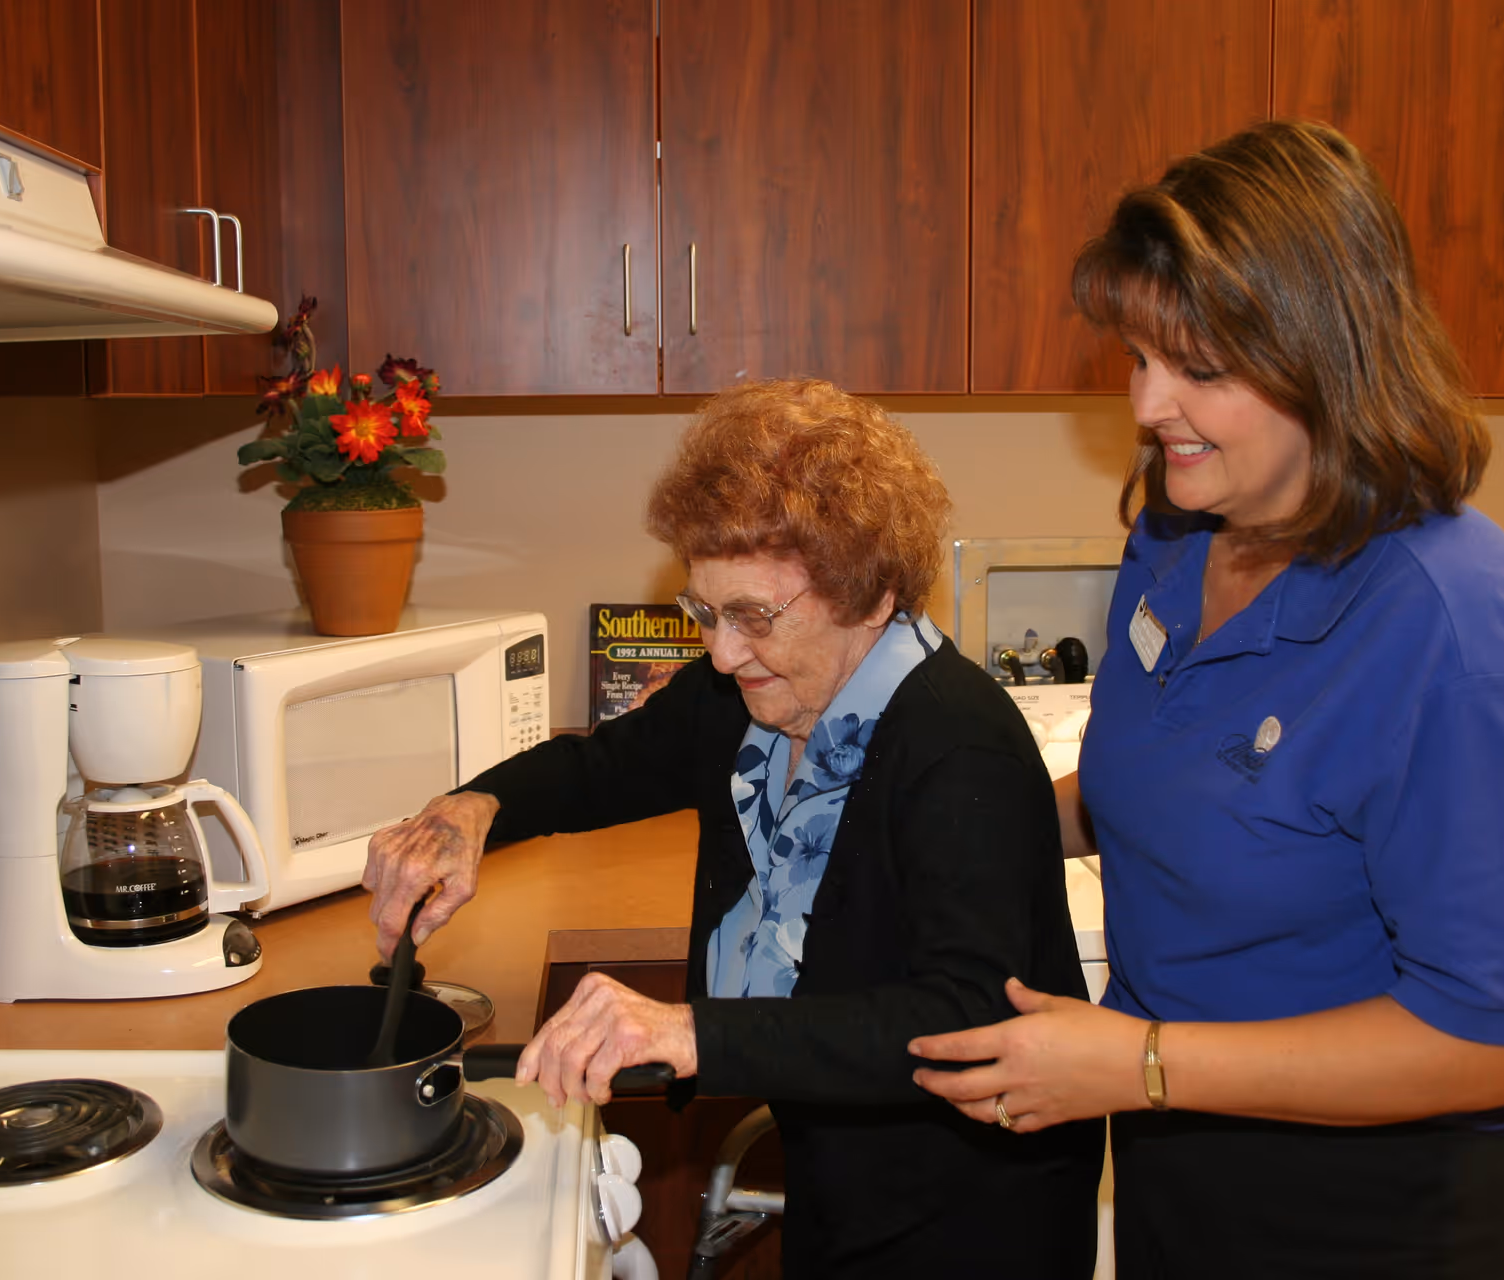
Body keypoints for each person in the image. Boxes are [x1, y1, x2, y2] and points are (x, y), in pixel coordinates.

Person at [909, 120, 1504, 1280]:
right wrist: (945, 818)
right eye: (1138, 355)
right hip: (1187, 1156)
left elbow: (1496, 1043)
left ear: (1332, 356)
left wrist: (1144, 1063)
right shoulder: (1182, 530)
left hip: (1375, 1212)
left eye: (1203, 369)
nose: (1148, 403)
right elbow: (1172, 776)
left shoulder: (1457, 632)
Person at [364, 378, 1105, 1278]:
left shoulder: (957, 744)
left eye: (755, 615)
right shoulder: (746, 696)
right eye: (706, 612)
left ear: (870, 595)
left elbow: (963, 1014)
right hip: (841, 1148)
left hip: (969, 1202)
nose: (720, 651)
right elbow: (600, 769)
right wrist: (469, 810)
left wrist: (690, 1033)